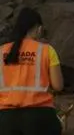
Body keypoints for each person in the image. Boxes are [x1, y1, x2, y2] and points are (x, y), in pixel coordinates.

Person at [0, 7, 64, 135]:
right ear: (39, 28)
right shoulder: (47, 50)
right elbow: (58, 86)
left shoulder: (2, 51)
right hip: (40, 117)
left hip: (5, 118)